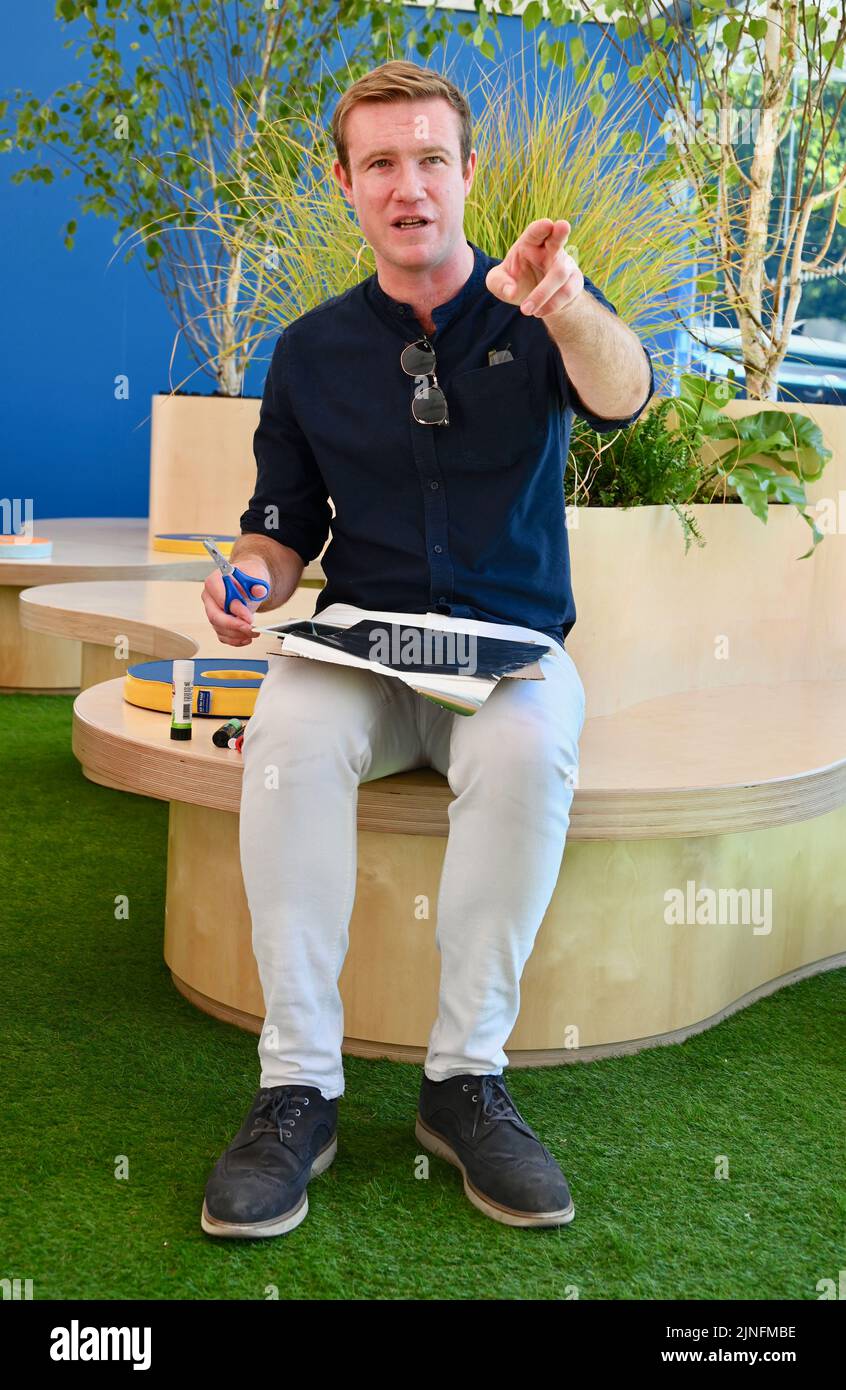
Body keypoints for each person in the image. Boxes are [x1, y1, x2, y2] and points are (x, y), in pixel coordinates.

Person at [199, 60, 654, 1238]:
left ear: (465, 175)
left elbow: (625, 396)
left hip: (507, 654)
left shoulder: (539, 309)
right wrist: (250, 578)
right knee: (288, 737)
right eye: (383, 164)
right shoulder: (309, 352)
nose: (410, 186)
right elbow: (284, 523)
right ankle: (297, 1084)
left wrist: (566, 306)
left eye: (432, 160)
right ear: (348, 183)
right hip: (361, 651)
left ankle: (464, 1081)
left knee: (526, 755)